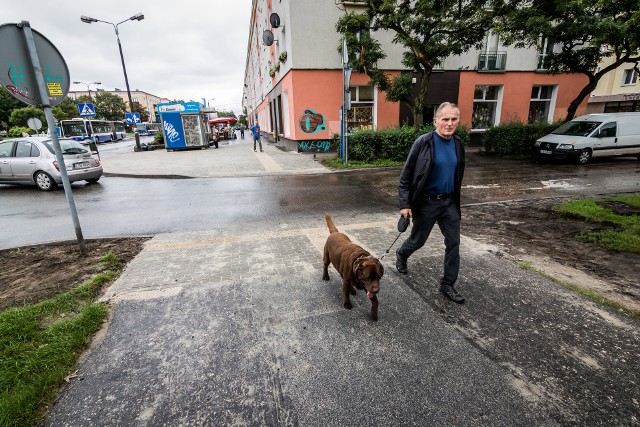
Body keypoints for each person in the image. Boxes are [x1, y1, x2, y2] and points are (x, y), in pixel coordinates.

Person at [395, 102, 466, 303]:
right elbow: (405, 176)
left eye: (454, 119)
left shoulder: (458, 144)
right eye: (445, 119)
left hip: (449, 203)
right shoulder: (423, 143)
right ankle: (402, 253)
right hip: (426, 203)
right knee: (418, 240)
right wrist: (405, 205)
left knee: (454, 242)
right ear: (436, 121)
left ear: (458, 122)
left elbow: (457, 174)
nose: (449, 123)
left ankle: (448, 284)